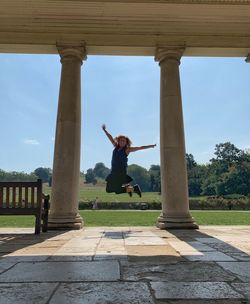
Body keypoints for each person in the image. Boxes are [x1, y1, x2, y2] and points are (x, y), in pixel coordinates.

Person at [102, 124, 156, 197]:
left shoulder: (127, 150)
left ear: (126, 142)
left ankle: (133, 188)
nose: (122, 142)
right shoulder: (116, 146)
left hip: (121, 171)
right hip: (113, 171)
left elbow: (140, 147)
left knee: (117, 190)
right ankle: (131, 188)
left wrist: (151, 146)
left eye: (124, 141)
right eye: (121, 140)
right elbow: (110, 137)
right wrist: (105, 130)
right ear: (118, 141)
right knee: (109, 190)